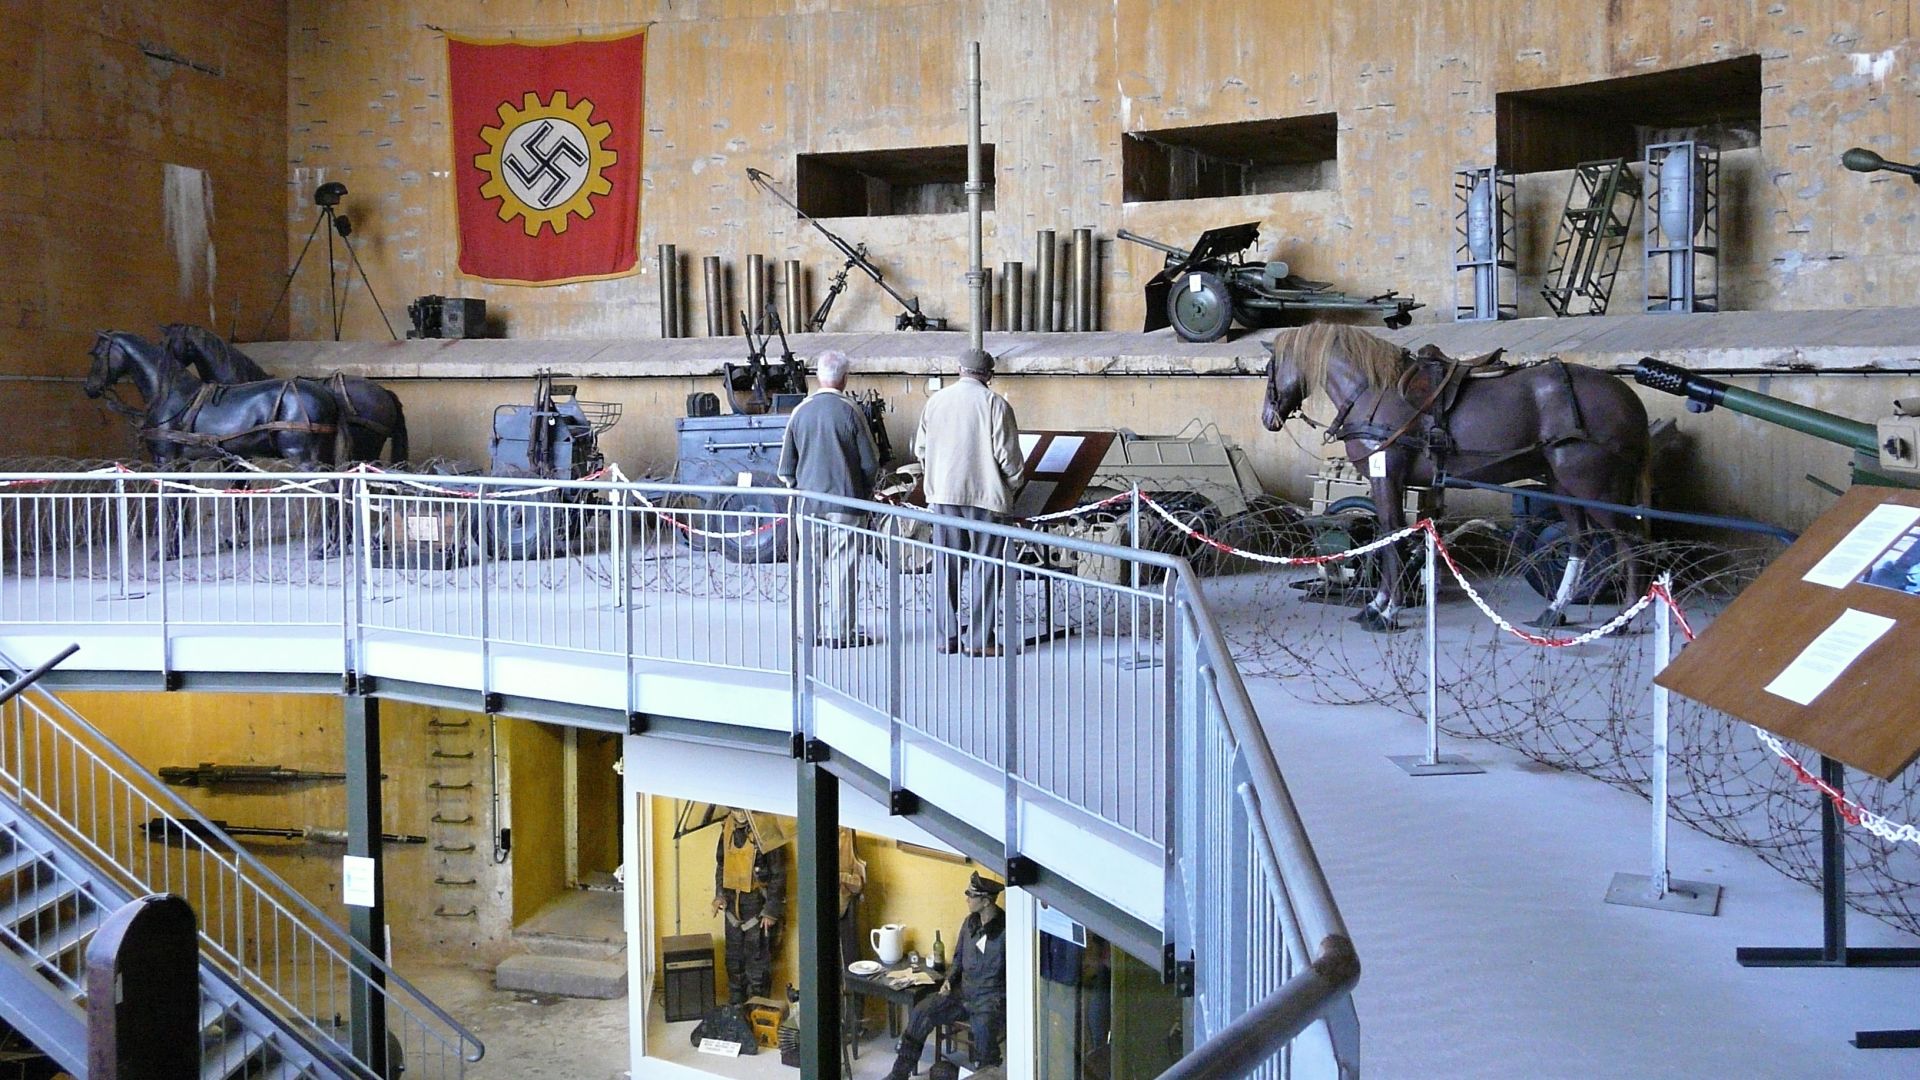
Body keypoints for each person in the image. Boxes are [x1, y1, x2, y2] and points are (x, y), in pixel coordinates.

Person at [912, 349, 1024, 657]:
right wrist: (1012, 486)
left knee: (946, 565)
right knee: (985, 566)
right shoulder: (995, 404)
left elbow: (920, 449)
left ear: (960, 370)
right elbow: (1009, 458)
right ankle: (979, 640)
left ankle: (946, 637)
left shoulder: (935, 402)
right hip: (986, 497)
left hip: (943, 496)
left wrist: (938, 477)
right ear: (989, 375)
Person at [779, 349, 884, 647]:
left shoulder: (800, 411)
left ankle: (807, 631)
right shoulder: (851, 411)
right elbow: (870, 462)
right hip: (847, 503)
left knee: (809, 567)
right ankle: (839, 633)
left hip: (808, 505)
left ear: (817, 377)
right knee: (843, 569)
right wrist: (864, 492)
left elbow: (786, 468)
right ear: (845, 378)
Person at [883, 872, 1006, 1079]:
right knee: (922, 1011)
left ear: (986, 901)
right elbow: (958, 960)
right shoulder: (969, 924)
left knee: (984, 1035)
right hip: (963, 993)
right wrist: (948, 981)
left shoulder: (1005, 931)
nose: (967, 898)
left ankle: (986, 1073)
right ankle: (899, 1073)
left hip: (989, 999)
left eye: (971, 895)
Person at [713, 807, 787, 1004]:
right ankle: (737, 1012)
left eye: (741, 809)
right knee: (733, 962)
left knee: (758, 966)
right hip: (732, 906)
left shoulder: (766, 829)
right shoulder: (727, 829)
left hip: (757, 906)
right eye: (734, 810)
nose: (739, 815)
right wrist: (719, 895)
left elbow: (778, 874)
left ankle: (758, 1013)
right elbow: (722, 864)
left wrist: (771, 910)